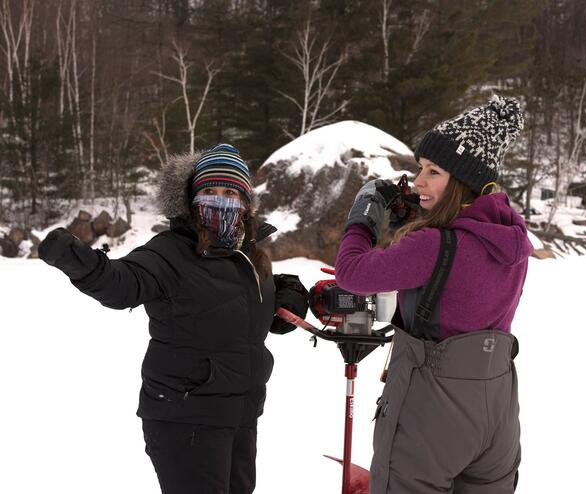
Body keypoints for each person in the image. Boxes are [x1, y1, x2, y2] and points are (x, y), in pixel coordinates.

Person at [38, 144, 308, 494]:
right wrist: (80, 262)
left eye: (229, 192)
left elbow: (242, 297)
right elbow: (124, 283)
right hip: (187, 420)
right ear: (191, 200)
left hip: (240, 415)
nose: (219, 201)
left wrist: (290, 291)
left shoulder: (249, 256)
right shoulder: (169, 251)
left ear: (245, 203)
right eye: (209, 191)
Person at [334, 96, 533, 494]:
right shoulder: (513, 240)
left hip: (432, 413)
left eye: (434, 172)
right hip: (497, 411)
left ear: (463, 182)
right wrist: (426, 215)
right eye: (420, 168)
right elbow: (462, 276)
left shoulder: (433, 246)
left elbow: (350, 273)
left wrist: (362, 219)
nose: (419, 181)